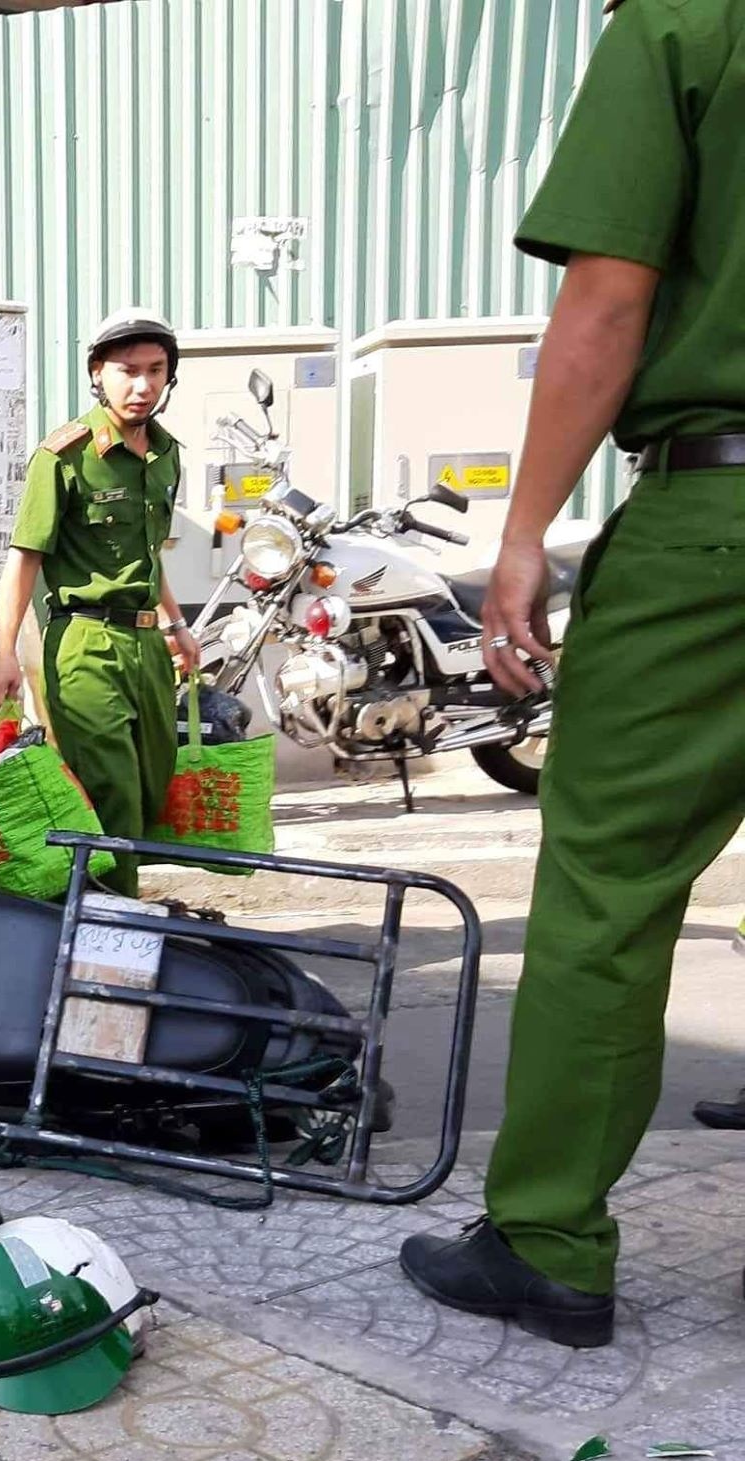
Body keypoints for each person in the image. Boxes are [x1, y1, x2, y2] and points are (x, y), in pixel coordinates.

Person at [398, 0, 745, 1347]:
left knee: (608, 890)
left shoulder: (684, 22)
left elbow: (606, 299)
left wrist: (524, 533)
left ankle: (548, 1240)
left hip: (715, 525)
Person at [0, 310, 201, 899]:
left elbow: (149, 557)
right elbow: (23, 559)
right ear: (97, 375)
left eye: (156, 371)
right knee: (111, 795)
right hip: (84, 645)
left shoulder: (165, 455)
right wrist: (3, 652)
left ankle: (91, 916)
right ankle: (112, 935)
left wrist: (178, 626)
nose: (143, 385)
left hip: (147, 645)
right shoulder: (64, 456)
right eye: (128, 371)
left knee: (151, 787)